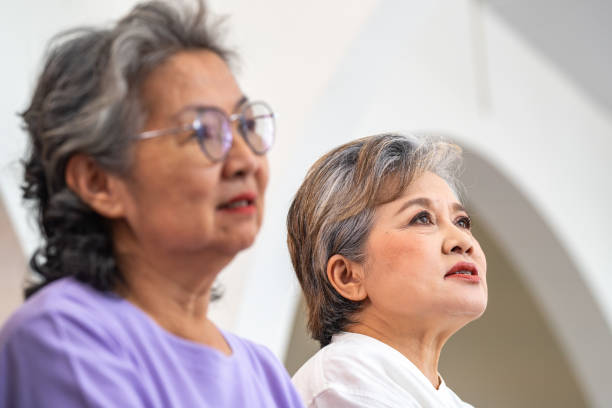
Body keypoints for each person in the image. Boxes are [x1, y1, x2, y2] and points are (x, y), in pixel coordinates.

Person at [0, 1, 304, 407]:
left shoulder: (265, 374)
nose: (247, 161)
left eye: (246, 125)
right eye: (203, 132)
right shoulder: (63, 336)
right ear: (99, 182)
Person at [287, 134, 487, 407]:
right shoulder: (344, 385)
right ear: (348, 276)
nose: (463, 243)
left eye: (462, 222)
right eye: (422, 218)